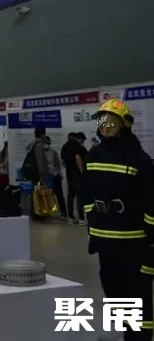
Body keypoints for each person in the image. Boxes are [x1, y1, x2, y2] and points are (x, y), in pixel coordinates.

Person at [84, 99, 154, 341]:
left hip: (133, 241)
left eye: (112, 122)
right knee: (113, 292)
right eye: (103, 121)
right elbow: (87, 194)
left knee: (137, 295)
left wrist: (151, 242)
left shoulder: (138, 159)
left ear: (124, 124)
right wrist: (92, 229)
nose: (106, 126)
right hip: (105, 241)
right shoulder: (93, 155)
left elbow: (151, 200)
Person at [61, 133, 86, 225]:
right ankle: (81, 218)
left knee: (70, 196)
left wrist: (69, 168)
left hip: (70, 175)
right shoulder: (79, 147)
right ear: (79, 139)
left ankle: (70, 218)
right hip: (78, 175)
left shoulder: (65, 147)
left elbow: (63, 161)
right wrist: (82, 172)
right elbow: (78, 158)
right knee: (80, 197)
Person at [44, 136, 67, 218]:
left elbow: (58, 165)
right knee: (47, 195)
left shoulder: (53, 152)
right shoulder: (39, 153)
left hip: (54, 175)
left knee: (59, 194)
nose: (46, 144)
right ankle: (48, 212)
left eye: (47, 142)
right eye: (45, 142)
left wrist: (55, 172)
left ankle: (63, 212)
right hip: (45, 176)